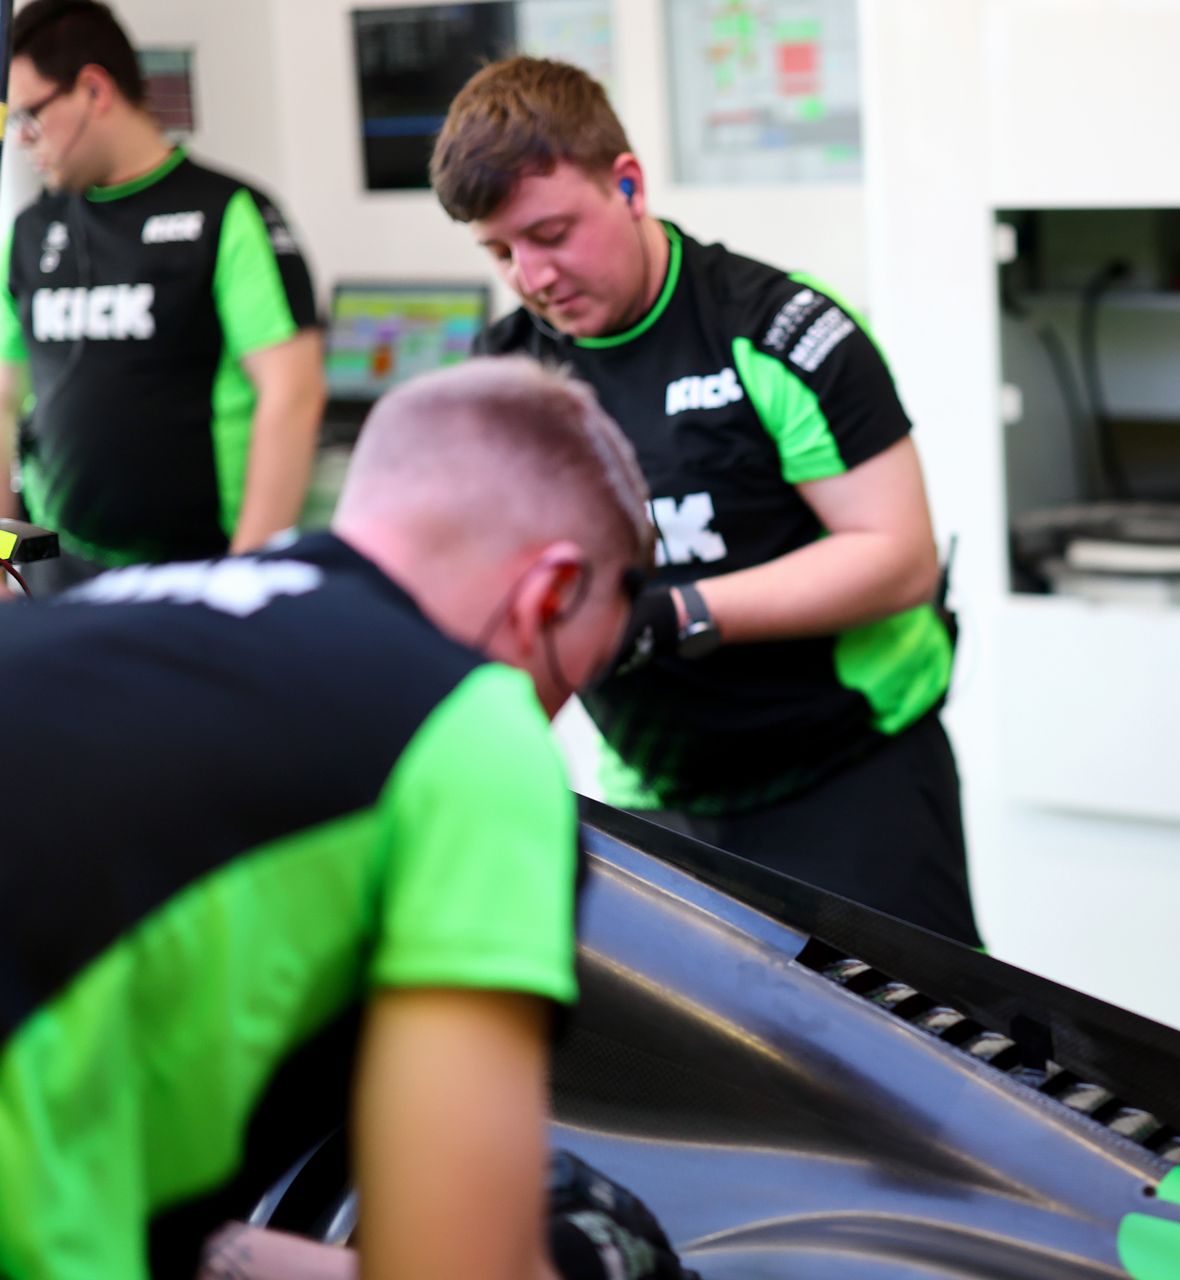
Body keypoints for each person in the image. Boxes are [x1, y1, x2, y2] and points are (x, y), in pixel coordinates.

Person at [0, 358, 681, 1278]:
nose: (545, 716)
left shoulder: (110, 622)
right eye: (568, 680)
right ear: (549, 592)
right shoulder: (463, 722)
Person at [429, 57, 979, 947]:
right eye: (500, 253)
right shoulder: (503, 376)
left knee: (918, 1033)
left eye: (551, 233)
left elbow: (898, 558)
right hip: (656, 791)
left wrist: (676, 613)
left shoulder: (780, 330)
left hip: (851, 772)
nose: (532, 276)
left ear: (628, 184)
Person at [0, 0, 325, 594]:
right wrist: (3, 557)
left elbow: (292, 393)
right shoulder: (28, 231)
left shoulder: (228, 213)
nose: (20, 137)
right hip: (54, 564)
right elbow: (2, 401)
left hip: (196, 569)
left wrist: (244, 581)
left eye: (29, 115)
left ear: (94, 90)